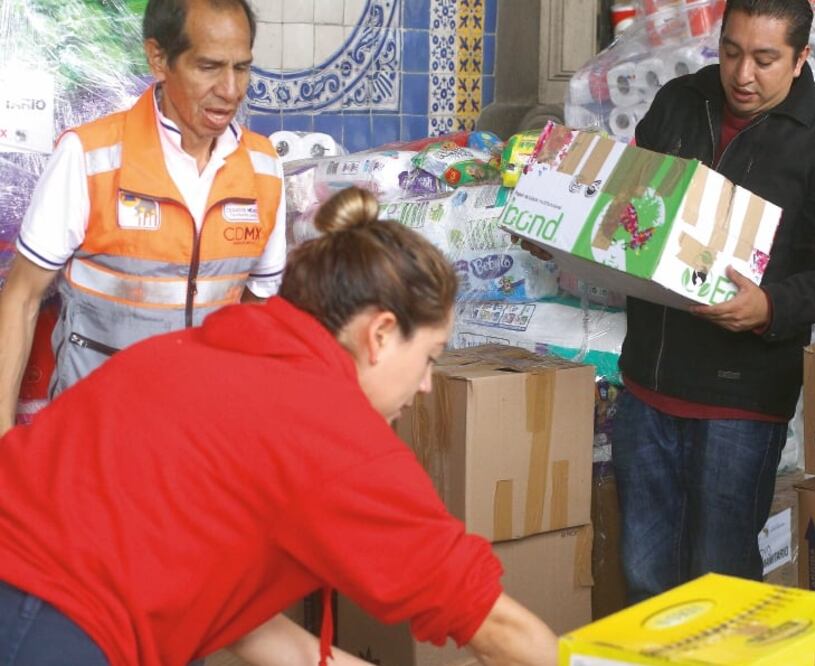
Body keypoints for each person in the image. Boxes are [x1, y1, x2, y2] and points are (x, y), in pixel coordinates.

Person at [0, 186, 558, 666]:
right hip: (40, 619)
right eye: (431, 356)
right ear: (382, 334)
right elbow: (505, 632)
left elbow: (255, 632)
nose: (426, 385)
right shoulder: (330, 430)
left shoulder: (224, 347)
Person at [612, 0, 815, 603]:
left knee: (721, 578)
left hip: (742, 397)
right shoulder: (679, 103)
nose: (742, 74)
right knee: (643, 573)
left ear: (801, 57)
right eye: (731, 52)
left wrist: (771, 307)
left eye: (765, 59)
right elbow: (633, 206)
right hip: (648, 380)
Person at [0, 0, 287, 435]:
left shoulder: (265, 167)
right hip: (96, 433)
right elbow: (20, 298)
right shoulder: (90, 157)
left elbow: (257, 307)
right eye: (209, 67)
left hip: (203, 440)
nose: (230, 90)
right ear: (158, 59)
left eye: (241, 68)